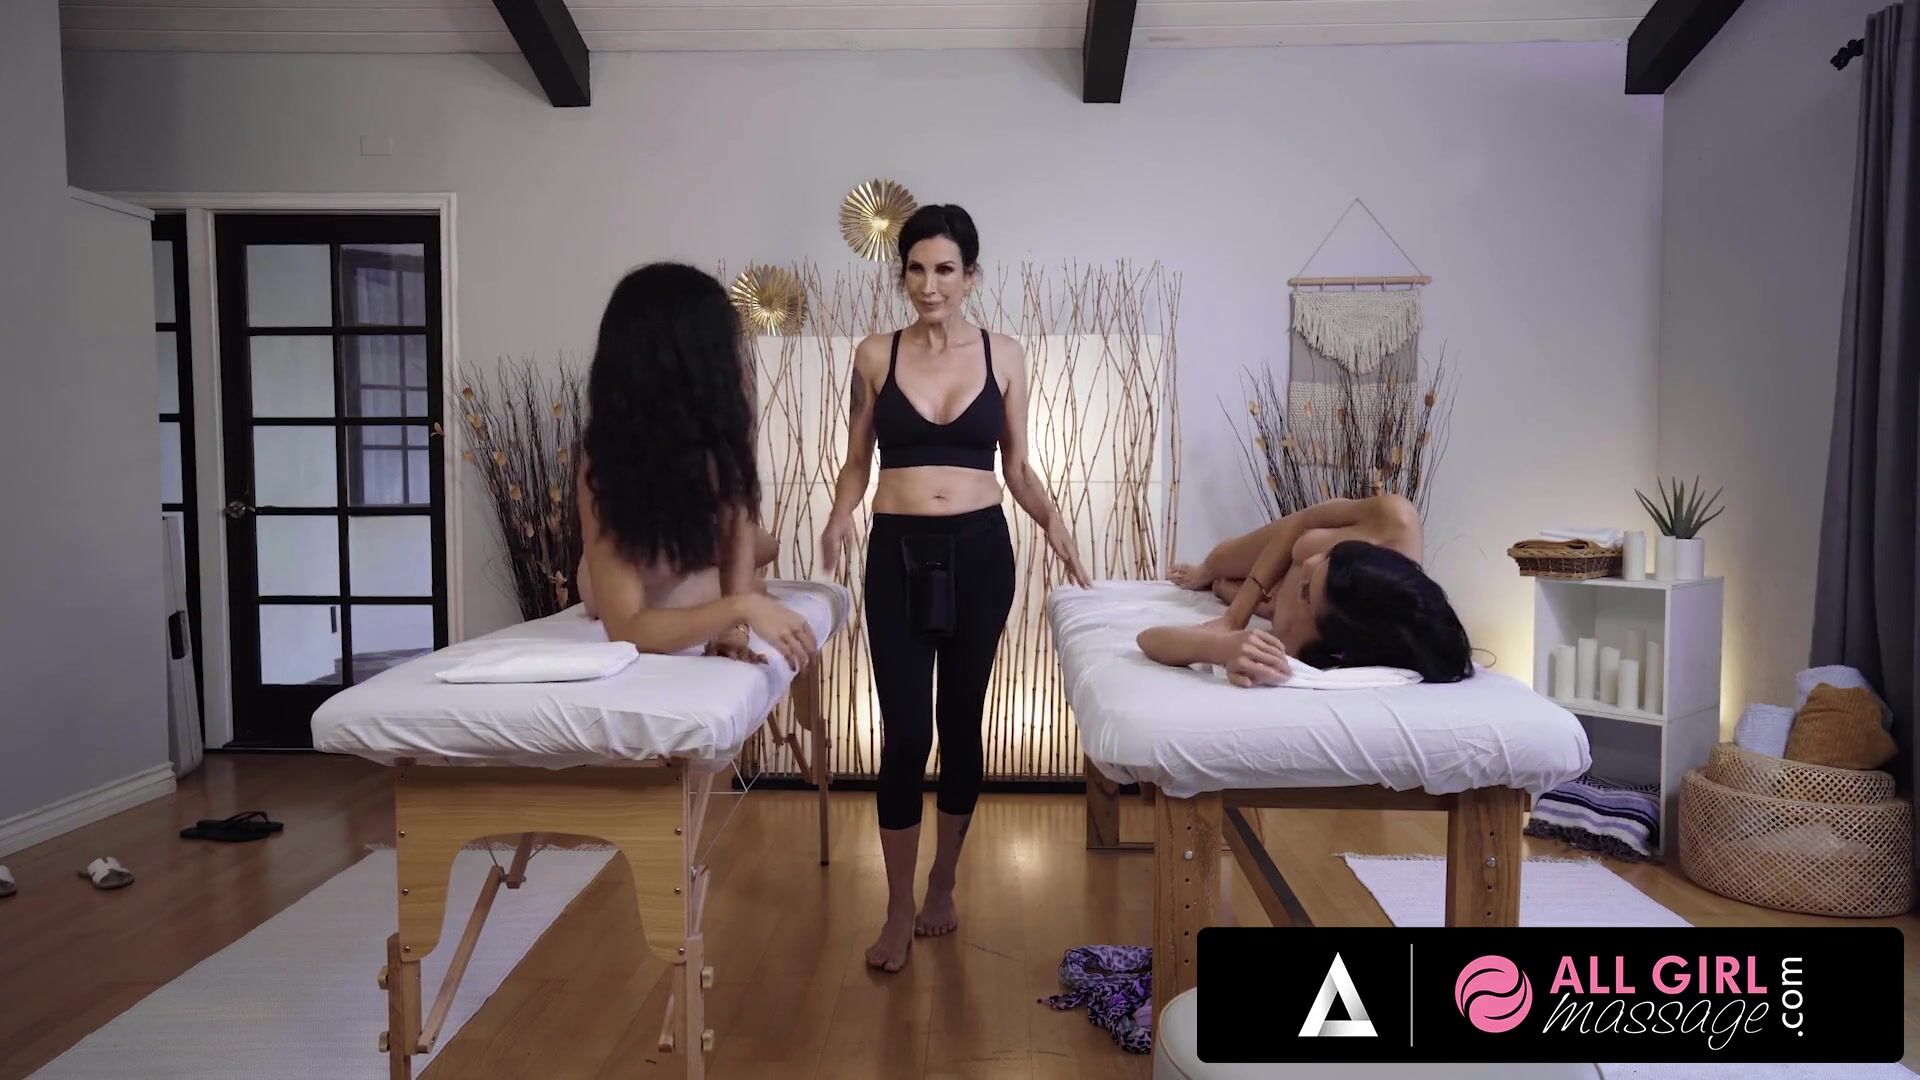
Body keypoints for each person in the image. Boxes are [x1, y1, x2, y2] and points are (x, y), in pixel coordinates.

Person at [818, 203, 1091, 973]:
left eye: (944, 269)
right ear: (901, 273)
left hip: (980, 552)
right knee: (906, 733)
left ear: (971, 275)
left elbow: (1018, 467)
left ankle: (943, 881)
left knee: (961, 723)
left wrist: (1055, 524)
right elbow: (856, 462)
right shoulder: (875, 354)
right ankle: (898, 904)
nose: (928, 285)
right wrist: (838, 518)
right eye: (915, 269)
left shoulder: (1006, 355)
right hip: (896, 552)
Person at [575, 261, 818, 672]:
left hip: (692, 554)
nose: (736, 356)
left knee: (760, 546)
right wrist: (741, 605)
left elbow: (737, 540)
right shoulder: (605, 462)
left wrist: (735, 628)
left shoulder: (722, 439)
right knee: (735, 573)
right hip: (628, 585)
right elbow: (628, 626)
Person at [1142, 493, 1473, 687]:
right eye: (1329, 555)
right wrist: (1234, 618)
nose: (1309, 561)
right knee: (1219, 560)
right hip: (1294, 537)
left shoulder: (1296, 647)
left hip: (1290, 611)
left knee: (1243, 594)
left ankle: (1233, 591)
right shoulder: (1394, 521)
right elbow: (1301, 522)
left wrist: (1217, 647)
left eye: (1304, 589)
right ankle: (1214, 577)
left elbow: (1152, 640)